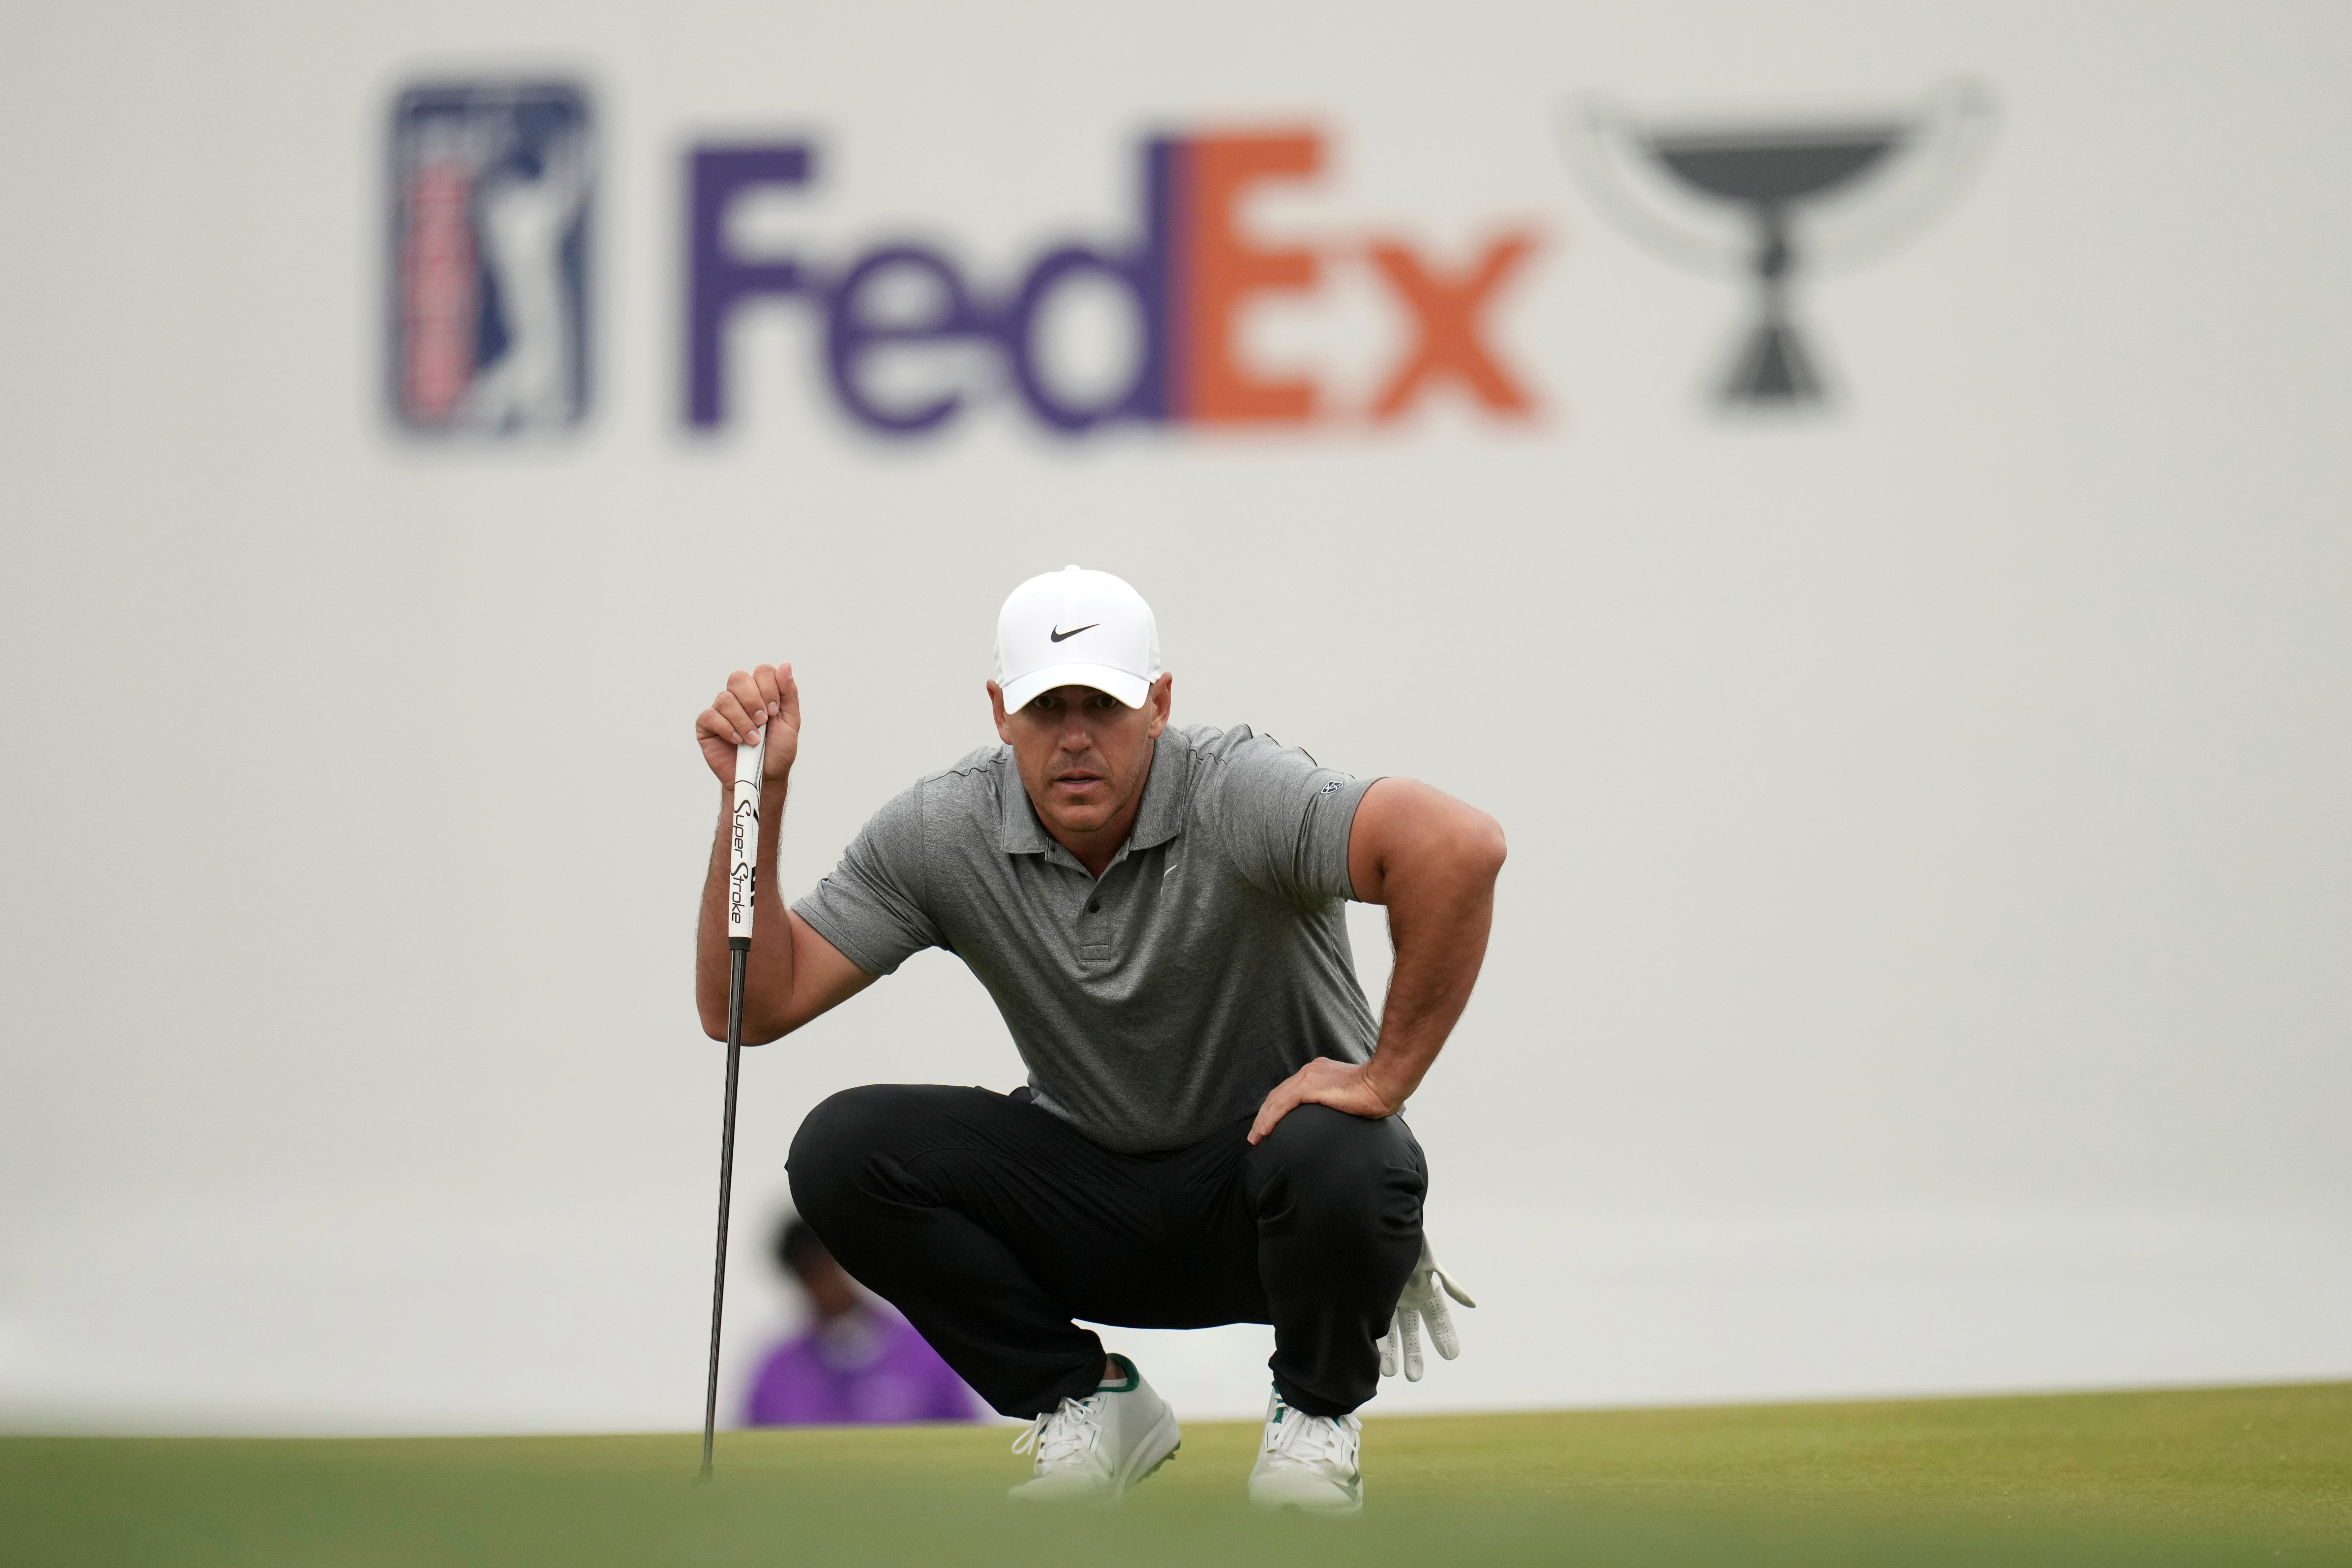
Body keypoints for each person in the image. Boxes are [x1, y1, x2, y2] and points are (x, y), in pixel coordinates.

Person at [692, 565, 1502, 1513]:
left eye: (1103, 706)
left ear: (1158, 704)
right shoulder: (946, 827)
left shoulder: (1238, 790)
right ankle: (1086, 1399)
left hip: (1280, 1213)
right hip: (1086, 1210)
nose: (1075, 737)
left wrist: (1384, 1078)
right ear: (1001, 711)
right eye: (1046, 707)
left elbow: (1458, 847)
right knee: (842, 1149)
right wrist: (755, 797)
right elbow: (750, 1006)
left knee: (1345, 1144)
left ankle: (1316, 1419)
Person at [743, 1218, 982, 1427]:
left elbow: (966, 1442)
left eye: (826, 1265)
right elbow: (754, 1452)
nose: (823, 1284)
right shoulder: (778, 1372)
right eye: (807, 1273)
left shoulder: (925, 1353)